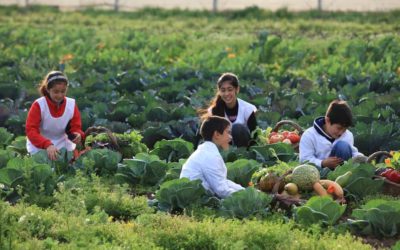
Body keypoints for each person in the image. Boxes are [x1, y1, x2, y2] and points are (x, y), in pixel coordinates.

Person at [180, 116, 244, 198]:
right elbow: (221, 190)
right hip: (196, 201)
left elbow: (223, 182)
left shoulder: (207, 151)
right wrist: (247, 197)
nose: (230, 137)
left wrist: (245, 190)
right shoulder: (209, 156)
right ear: (217, 134)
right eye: (228, 132)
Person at [26, 71, 84, 160]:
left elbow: (75, 127)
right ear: (48, 89)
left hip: (63, 144)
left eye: (63, 91)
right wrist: (47, 145)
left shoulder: (71, 104)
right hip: (39, 144)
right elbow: (31, 130)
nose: (60, 95)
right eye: (56, 92)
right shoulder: (39, 105)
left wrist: (77, 135)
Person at [299, 100, 365, 171]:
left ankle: (341, 177)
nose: (341, 133)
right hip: (318, 173)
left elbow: (352, 152)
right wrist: (322, 163)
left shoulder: (348, 135)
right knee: (342, 146)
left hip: (342, 172)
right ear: (327, 120)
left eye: (345, 129)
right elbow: (304, 159)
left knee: (343, 146)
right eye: (339, 128)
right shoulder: (309, 135)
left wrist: (362, 158)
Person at [200, 72, 257, 147]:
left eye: (230, 90)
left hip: (245, 148)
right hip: (224, 149)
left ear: (237, 89)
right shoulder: (214, 110)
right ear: (219, 91)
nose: (226, 94)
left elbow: (255, 136)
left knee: (237, 128)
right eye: (223, 90)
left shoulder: (248, 109)